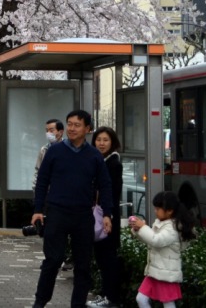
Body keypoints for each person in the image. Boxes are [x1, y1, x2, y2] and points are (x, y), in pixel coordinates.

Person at [31, 110, 114, 308]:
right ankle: (40, 302)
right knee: (53, 260)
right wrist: (37, 209)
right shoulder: (55, 151)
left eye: (77, 125)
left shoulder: (94, 155)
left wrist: (107, 214)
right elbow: (42, 181)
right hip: (57, 212)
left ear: (87, 129)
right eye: (69, 124)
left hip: (83, 215)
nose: (72, 128)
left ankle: (78, 304)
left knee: (83, 265)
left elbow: (105, 186)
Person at [129, 191, 196, 308]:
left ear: (169, 211)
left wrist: (143, 227)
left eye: (157, 209)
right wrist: (138, 229)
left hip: (166, 273)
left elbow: (156, 240)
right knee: (141, 299)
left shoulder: (172, 228)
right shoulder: (161, 222)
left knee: (167, 303)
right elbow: (151, 240)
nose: (155, 211)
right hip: (155, 271)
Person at [88, 127, 124, 308]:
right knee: (102, 258)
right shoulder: (99, 160)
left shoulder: (113, 163)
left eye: (105, 140)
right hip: (100, 215)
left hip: (107, 217)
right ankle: (105, 295)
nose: (101, 143)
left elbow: (111, 192)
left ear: (112, 142)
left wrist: (107, 214)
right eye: (98, 140)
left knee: (108, 258)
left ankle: (111, 298)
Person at [34, 119, 64, 190]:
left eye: (51, 130)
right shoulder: (44, 150)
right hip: (47, 192)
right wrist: (36, 190)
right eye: (47, 131)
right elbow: (38, 172)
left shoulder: (68, 149)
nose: (48, 133)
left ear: (60, 132)